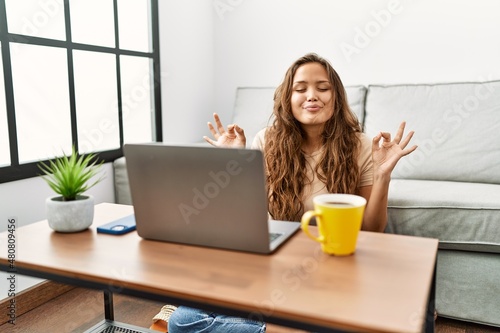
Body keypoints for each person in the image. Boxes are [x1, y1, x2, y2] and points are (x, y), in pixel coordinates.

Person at [150, 53, 417, 332]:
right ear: (287, 100)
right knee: (183, 320)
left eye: (322, 88)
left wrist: (383, 174)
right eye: (300, 89)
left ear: (336, 97)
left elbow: (372, 230)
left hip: (330, 270)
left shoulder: (361, 145)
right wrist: (237, 165)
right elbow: (245, 220)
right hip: (275, 264)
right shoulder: (266, 140)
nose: (311, 96)